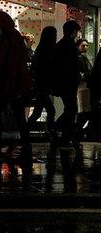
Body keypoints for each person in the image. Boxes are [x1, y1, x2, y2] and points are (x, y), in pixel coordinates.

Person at [0, 11, 32, 163]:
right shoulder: (13, 37)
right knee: (19, 117)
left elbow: (9, 63)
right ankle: (25, 146)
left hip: (10, 85)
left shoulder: (10, 39)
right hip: (13, 85)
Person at [52, 20, 81, 148]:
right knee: (71, 108)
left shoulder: (60, 45)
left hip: (62, 83)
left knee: (70, 108)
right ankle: (58, 129)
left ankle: (64, 135)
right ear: (73, 31)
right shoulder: (69, 46)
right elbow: (70, 67)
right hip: (68, 83)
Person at [27, 26, 57, 140]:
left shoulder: (41, 49)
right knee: (49, 110)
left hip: (40, 85)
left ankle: (26, 131)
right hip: (42, 86)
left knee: (38, 112)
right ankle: (51, 133)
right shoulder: (46, 50)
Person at [74, 38, 93, 147]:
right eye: (83, 45)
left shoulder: (83, 57)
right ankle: (78, 133)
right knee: (83, 111)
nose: (85, 47)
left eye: (86, 45)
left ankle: (78, 133)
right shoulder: (79, 58)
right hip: (83, 87)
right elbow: (85, 72)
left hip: (84, 87)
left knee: (84, 111)